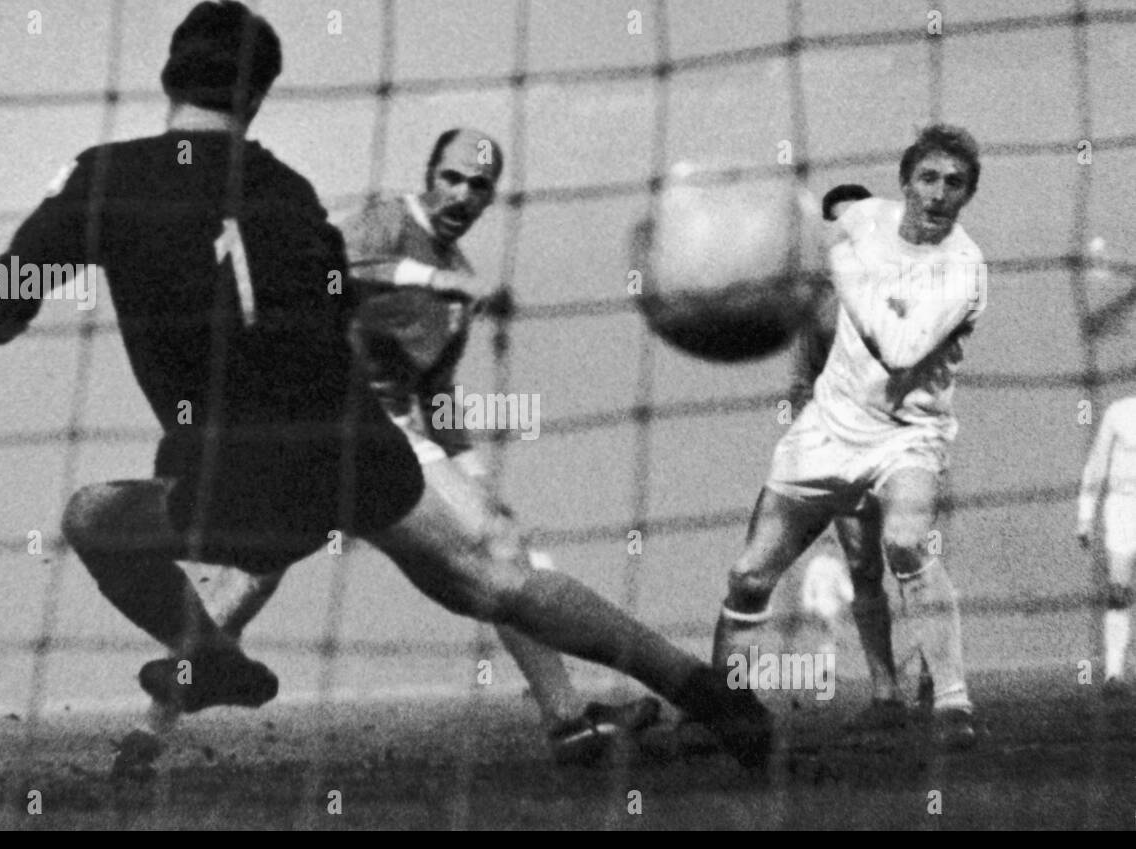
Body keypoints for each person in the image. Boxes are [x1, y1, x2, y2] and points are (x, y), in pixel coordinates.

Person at [0, 1, 769, 774]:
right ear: (259, 98)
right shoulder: (293, 191)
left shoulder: (105, 176)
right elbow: (331, 308)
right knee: (503, 576)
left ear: (169, 74)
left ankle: (209, 656)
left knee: (90, 516)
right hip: (359, 445)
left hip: (243, 480)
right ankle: (699, 684)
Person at [129, 127, 663, 771]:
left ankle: (569, 724)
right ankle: (149, 732)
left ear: (491, 200)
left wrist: (471, 470)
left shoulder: (458, 290)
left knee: (502, 550)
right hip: (316, 424)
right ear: (430, 174)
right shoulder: (386, 223)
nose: (463, 193)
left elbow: (435, 391)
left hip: (393, 443)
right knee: (251, 575)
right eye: (453, 177)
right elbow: (337, 270)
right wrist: (439, 281)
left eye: (479, 186)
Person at [710, 124, 987, 751]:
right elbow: (805, 239)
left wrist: (838, 266)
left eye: (955, 183)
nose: (939, 193)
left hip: (907, 435)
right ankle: (723, 707)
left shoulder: (964, 268)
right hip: (826, 434)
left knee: (907, 543)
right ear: (906, 181)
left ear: (967, 195)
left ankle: (951, 702)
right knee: (749, 574)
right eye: (929, 178)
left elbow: (900, 348)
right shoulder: (865, 219)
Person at [781, 183, 936, 730]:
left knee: (910, 558)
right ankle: (885, 692)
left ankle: (936, 674)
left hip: (903, 449)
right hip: (842, 453)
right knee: (863, 570)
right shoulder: (816, 307)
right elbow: (802, 384)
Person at [1077, 394, 1136, 696]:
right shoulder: (1119, 412)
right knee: (1118, 591)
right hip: (1124, 508)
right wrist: (1085, 516)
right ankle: (1114, 672)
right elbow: (1097, 463)